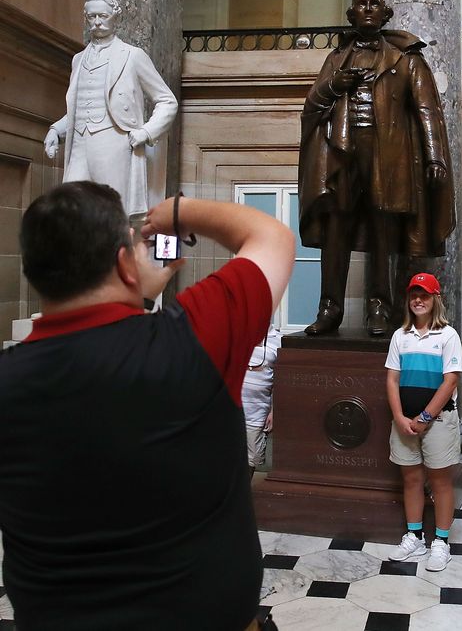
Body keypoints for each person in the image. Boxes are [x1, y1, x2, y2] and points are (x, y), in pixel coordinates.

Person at [0, 181, 294, 630]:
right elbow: (272, 237)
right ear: (123, 262)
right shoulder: (191, 340)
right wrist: (178, 212)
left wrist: (138, 292)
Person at [298, 0, 455, 336]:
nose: (367, 8)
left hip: (388, 156)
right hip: (340, 155)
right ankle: (329, 308)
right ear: (352, 14)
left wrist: (435, 156)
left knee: (383, 234)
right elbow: (311, 108)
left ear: (385, 15)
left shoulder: (406, 58)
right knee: (336, 232)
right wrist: (333, 85)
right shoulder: (336, 59)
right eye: (361, 4)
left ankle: (380, 309)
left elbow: (427, 108)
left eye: (374, 4)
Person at [44, 0, 178, 217]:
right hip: (79, 144)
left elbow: (167, 100)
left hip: (113, 143)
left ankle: (112, 251)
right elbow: (79, 108)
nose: (97, 22)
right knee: (70, 209)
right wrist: (56, 130)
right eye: (92, 16)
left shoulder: (133, 56)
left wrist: (146, 131)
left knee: (112, 212)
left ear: (115, 17)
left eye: (103, 16)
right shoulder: (78, 59)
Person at [385, 273, 462, 572]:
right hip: (404, 423)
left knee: (441, 481)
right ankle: (415, 536)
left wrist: (425, 417)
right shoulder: (399, 336)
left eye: (425, 295)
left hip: (438, 421)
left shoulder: (447, 336)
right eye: (414, 294)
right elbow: (392, 379)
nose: (418, 300)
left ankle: (441, 542)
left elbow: (450, 380)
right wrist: (399, 417)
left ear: (435, 300)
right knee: (412, 479)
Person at [242, 324, 282, 478]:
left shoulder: (278, 340)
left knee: (252, 459)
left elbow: (280, 380)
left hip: (258, 411)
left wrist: (273, 411)